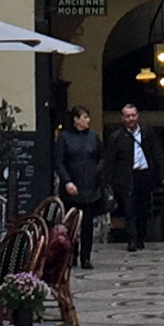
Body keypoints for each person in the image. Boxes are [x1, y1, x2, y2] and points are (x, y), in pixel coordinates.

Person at [103, 101, 162, 251]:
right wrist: (109, 182)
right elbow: (111, 160)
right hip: (126, 177)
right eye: (127, 116)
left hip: (144, 175)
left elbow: (156, 153)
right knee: (129, 209)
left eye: (133, 115)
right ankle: (132, 239)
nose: (131, 119)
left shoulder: (147, 133)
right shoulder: (116, 137)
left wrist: (161, 174)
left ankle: (141, 237)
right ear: (122, 118)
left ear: (138, 116)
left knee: (143, 208)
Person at [54, 103, 106, 266]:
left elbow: (102, 157)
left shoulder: (93, 137)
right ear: (76, 119)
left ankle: (86, 257)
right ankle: (71, 255)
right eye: (85, 117)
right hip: (71, 187)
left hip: (90, 187)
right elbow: (59, 161)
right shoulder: (64, 137)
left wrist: (96, 172)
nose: (88, 120)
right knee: (71, 225)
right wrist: (67, 181)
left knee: (88, 225)